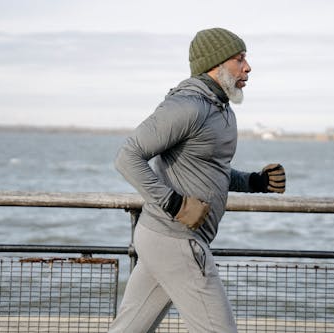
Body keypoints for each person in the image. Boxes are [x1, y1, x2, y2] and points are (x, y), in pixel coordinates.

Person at [109, 27, 286, 333]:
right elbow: (128, 157)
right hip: (175, 238)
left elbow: (210, 170)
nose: (248, 67)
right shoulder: (187, 106)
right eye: (239, 59)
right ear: (215, 64)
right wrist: (175, 204)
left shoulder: (222, 110)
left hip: (164, 239)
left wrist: (255, 181)